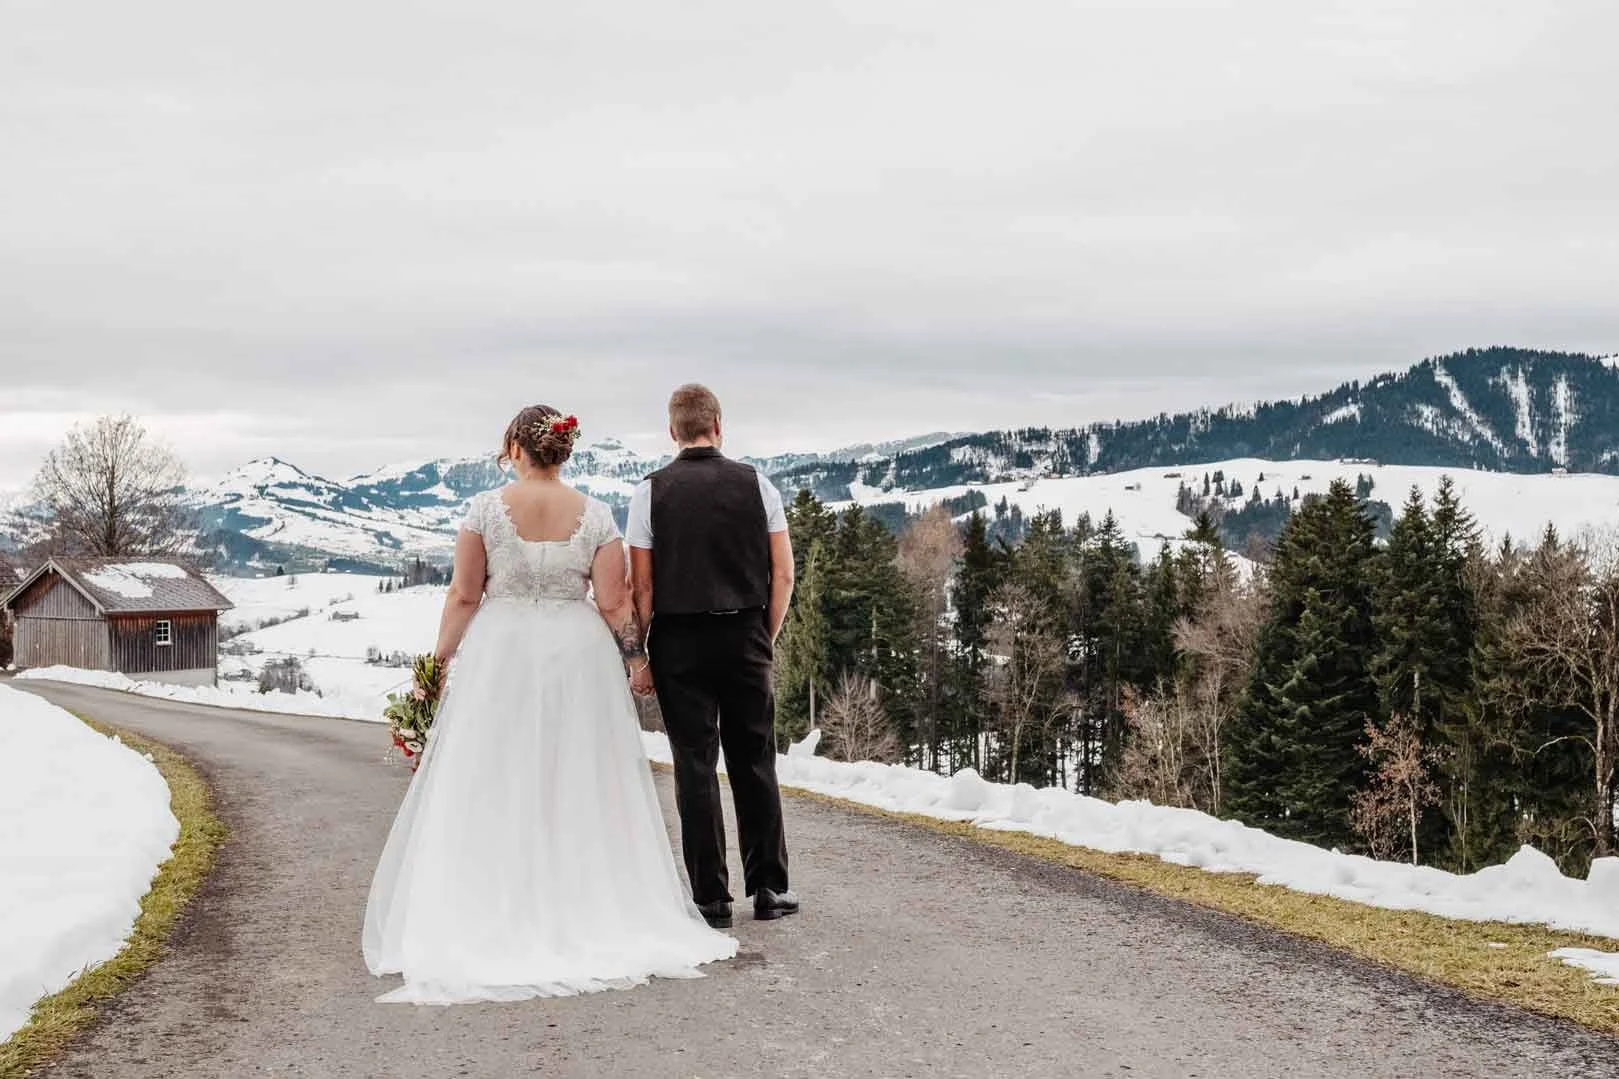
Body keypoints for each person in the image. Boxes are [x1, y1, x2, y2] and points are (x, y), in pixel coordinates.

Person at [362, 405, 736, 1004]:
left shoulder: (485, 510)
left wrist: (437, 665)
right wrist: (637, 661)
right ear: (563, 450)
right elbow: (616, 603)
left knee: (493, 777)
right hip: (576, 657)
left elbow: (463, 594)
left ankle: (492, 906)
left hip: (501, 651)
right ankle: (586, 902)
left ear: (516, 446)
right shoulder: (596, 514)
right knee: (580, 777)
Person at [627, 384, 799, 928]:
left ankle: (712, 898)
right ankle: (769, 888)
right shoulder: (759, 486)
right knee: (754, 761)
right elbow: (784, 573)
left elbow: (644, 590)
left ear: (672, 431)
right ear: (718, 424)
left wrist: (644, 654)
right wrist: (762, 636)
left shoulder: (648, 493)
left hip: (679, 640)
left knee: (694, 765)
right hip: (745, 631)